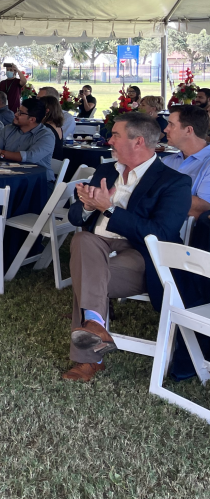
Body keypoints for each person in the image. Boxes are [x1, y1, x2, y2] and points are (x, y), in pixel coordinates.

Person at [62, 111, 191, 382]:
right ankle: (95, 325)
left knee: (86, 273)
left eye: (115, 135)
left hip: (140, 254)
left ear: (138, 141)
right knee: (82, 240)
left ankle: (90, 357)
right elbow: (74, 218)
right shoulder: (106, 170)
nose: (109, 140)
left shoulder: (173, 182)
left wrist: (108, 209)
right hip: (95, 247)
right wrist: (88, 206)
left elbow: (162, 233)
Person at [0, 97, 56, 182]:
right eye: (17, 110)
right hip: (9, 177)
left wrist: (1, 153)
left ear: (32, 119)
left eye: (20, 113)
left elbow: (30, 157)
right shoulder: (8, 129)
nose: (15, 114)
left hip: (38, 182)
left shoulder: (46, 135)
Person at [163, 105, 210, 218]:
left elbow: (203, 208)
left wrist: (156, 193)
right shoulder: (166, 161)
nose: (165, 129)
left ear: (188, 130)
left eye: (171, 124)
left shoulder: (207, 163)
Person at [39, 94, 65, 162]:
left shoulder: (46, 128)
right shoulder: (57, 126)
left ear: (46, 111)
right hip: (56, 162)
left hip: (48, 163)